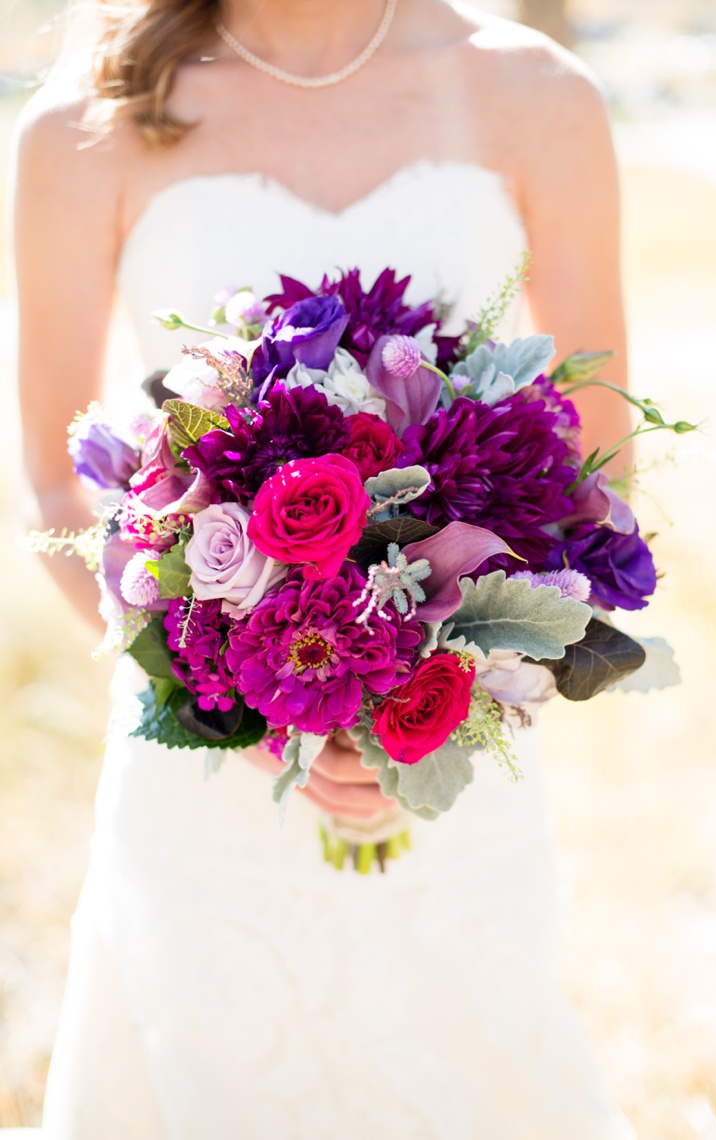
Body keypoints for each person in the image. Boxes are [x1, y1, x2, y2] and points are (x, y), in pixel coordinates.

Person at [13, 0, 635, 1135]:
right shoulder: (85, 124)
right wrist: (231, 709)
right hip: (201, 775)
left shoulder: (536, 94)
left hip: (454, 746)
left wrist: (447, 692)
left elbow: (599, 466)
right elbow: (61, 492)